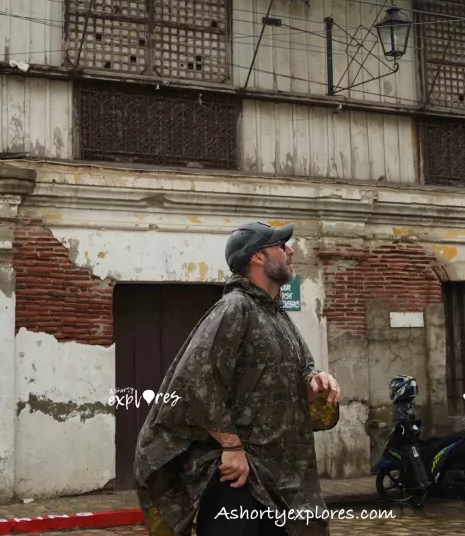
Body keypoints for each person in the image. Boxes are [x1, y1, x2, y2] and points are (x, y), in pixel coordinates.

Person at [134, 221, 340, 536]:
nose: (291, 251)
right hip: (240, 479)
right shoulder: (233, 309)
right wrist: (231, 446)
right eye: (281, 246)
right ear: (258, 257)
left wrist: (315, 382)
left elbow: (299, 373)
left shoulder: (278, 316)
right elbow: (195, 382)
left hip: (285, 480)